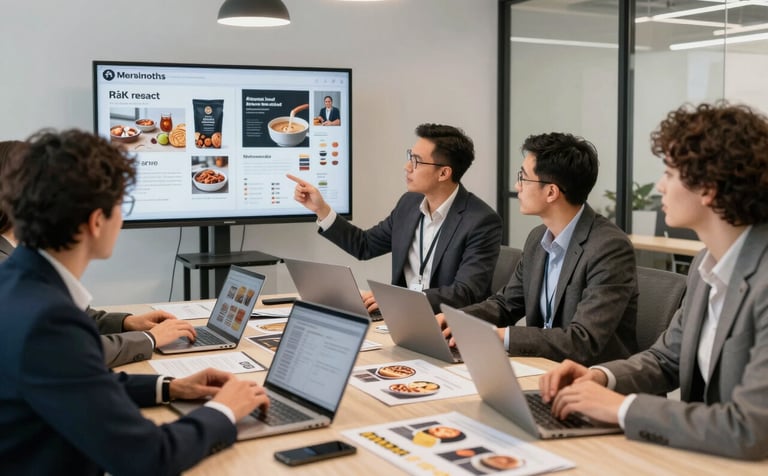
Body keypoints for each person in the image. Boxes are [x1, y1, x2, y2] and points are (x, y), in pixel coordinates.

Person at [0, 129, 269, 474]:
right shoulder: (48, 319)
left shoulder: (18, 284)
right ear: (97, 221)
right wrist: (225, 411)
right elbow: (149, 457)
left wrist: (171, 386)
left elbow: (78, 382)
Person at [539, 102, 768, 460]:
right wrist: (600, 377)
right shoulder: (706, 265)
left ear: (708, 188)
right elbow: (667, 359)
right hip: (703, 457)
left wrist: (621, 409)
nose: (660, 186)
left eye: (670, 173)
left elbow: (749, 428)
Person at [440, 132, 638, 366]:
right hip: (541, 367)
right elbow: (507, 304)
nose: (517, 186)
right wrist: (458, 319)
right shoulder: (538, 239)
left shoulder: (608, 248)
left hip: (591, 380)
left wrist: (500, 336)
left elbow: (583, 341)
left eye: (523, 178)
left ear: (551, 192)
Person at [0, 140, 195, 368]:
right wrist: (150, 339)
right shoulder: (9, 271)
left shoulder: (21, 252)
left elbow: (65, 319)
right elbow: (67, 351)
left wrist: (127, 322)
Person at [288, 123, 502, 313]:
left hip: (447, 326)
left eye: (416, 161)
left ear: (444, 173)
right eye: (410, 157)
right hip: (401, 318)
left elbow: (466, 293)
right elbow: (365, 245)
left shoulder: (480, 221)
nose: (407, 167)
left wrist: (398, 300)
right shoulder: (408, 204)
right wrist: (321, 209)